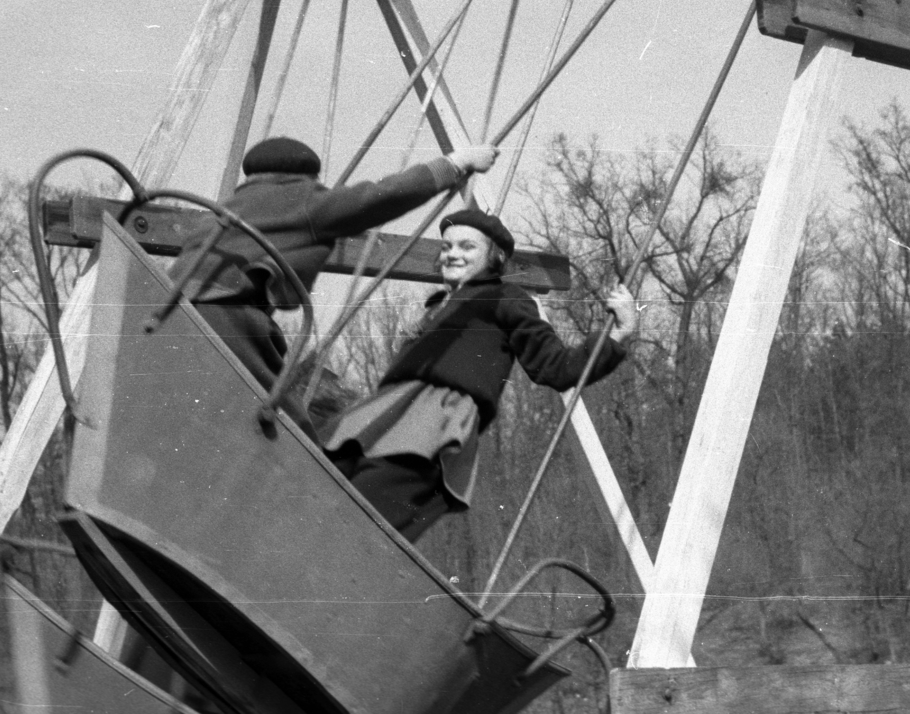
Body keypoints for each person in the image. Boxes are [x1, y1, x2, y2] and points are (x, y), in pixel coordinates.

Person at [320, 208, 638, 541]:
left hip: (432, 423)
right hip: (386, 414)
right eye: (447, 247)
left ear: (495, 257)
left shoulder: (507, 299)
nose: (453, 254)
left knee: (368, 508)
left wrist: (617, 335)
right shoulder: (438, 306)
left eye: (467, 247)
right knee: (325, 477)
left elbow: (557, 367)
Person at [170, 135, 498, 428]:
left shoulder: (218, 212)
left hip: (171, 312)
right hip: (229, 321)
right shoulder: (305, 201)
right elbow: (382, 196)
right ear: (306, 177)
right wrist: (457, 163)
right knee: (286, 426)